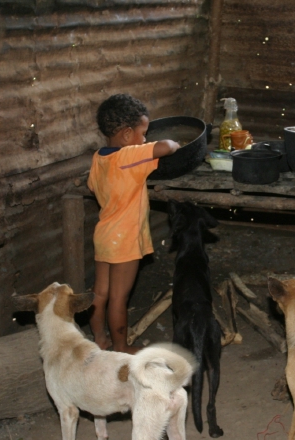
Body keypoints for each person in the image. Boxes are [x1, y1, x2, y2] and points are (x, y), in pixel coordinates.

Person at [87, 94, 180, 353]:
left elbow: (92, 185)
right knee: (119, 298)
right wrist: (175, 142)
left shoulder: (99, 158)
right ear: (127, 135)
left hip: (104, 234)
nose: (145, 139)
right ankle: (120, 346)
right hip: (124, 239)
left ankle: (99, 339)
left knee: (100, 294)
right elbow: (165, 147)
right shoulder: (130, 156)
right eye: (143, 133)